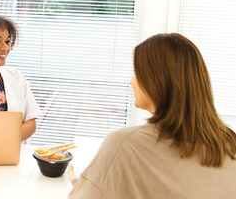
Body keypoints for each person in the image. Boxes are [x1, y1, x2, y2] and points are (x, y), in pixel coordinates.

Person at [67, 33, 236, 198]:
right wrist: (88, 182)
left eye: (136, 72)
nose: (131, 81)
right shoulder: (230, 143)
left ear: (156, 80)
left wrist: (87, 184)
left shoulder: (125, 144)